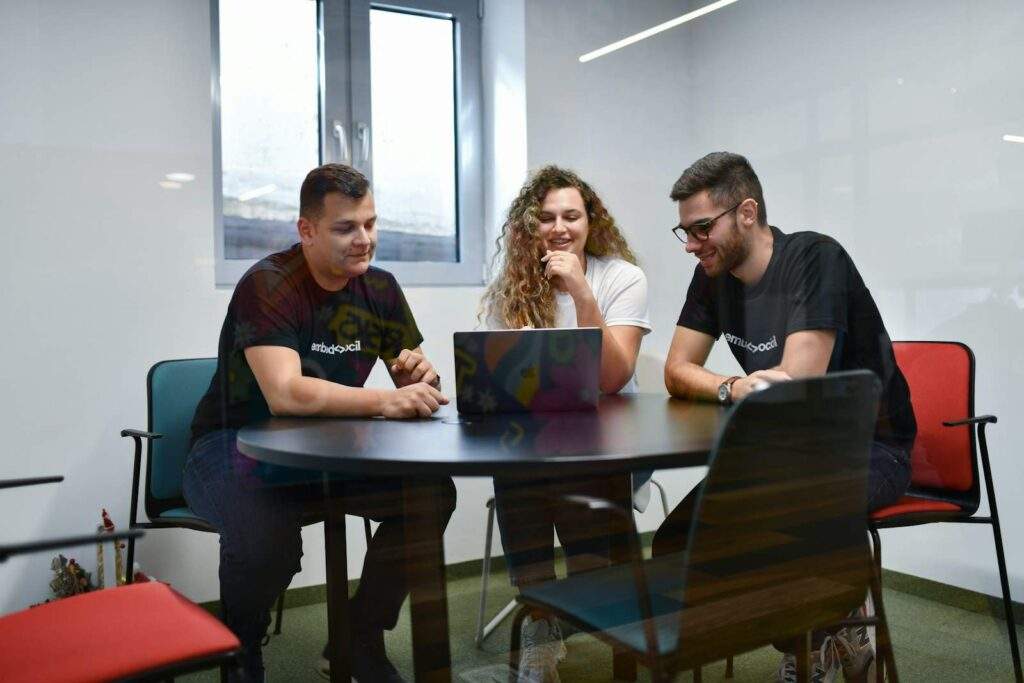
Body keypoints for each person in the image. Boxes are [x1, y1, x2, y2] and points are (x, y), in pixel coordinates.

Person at [184, 163, 455, 683]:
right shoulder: (269, 284)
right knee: (267, 540)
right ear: (306, 230)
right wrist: (385, 400)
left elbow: (416, 380)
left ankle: (358, 637)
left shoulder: (380, 288)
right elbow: (286, 393)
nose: (364, 239)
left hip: (327, 450)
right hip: (233, 445)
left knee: (429, 494)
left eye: (370, 224)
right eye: (345, 228)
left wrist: (420, 376)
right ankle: (239, 657)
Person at [654, 151, 916, 682]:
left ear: (747, 213)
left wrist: (750, 387)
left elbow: (797, 384)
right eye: (685, 231)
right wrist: (732, 386)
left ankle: (810, 640)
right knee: (676, 541)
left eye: (702, 228)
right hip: (782, 453)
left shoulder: (816, 258)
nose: (692, 244)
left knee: (780, 515)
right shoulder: (711, 276)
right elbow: (676, 370)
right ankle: (837, 619)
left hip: (870, 448)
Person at [480, 165, 651, 683]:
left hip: (610, 443)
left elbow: (613, 378)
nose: (559, 227)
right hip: (536, 445)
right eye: (546, 217)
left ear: (590, 221)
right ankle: (539, 621)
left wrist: (581, 293)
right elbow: (505, 384)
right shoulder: (512, 288)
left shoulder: (622, 277)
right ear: (529, 226)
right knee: (517, 468)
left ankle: (575, 603)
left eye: (571, 216)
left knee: (556, 479)